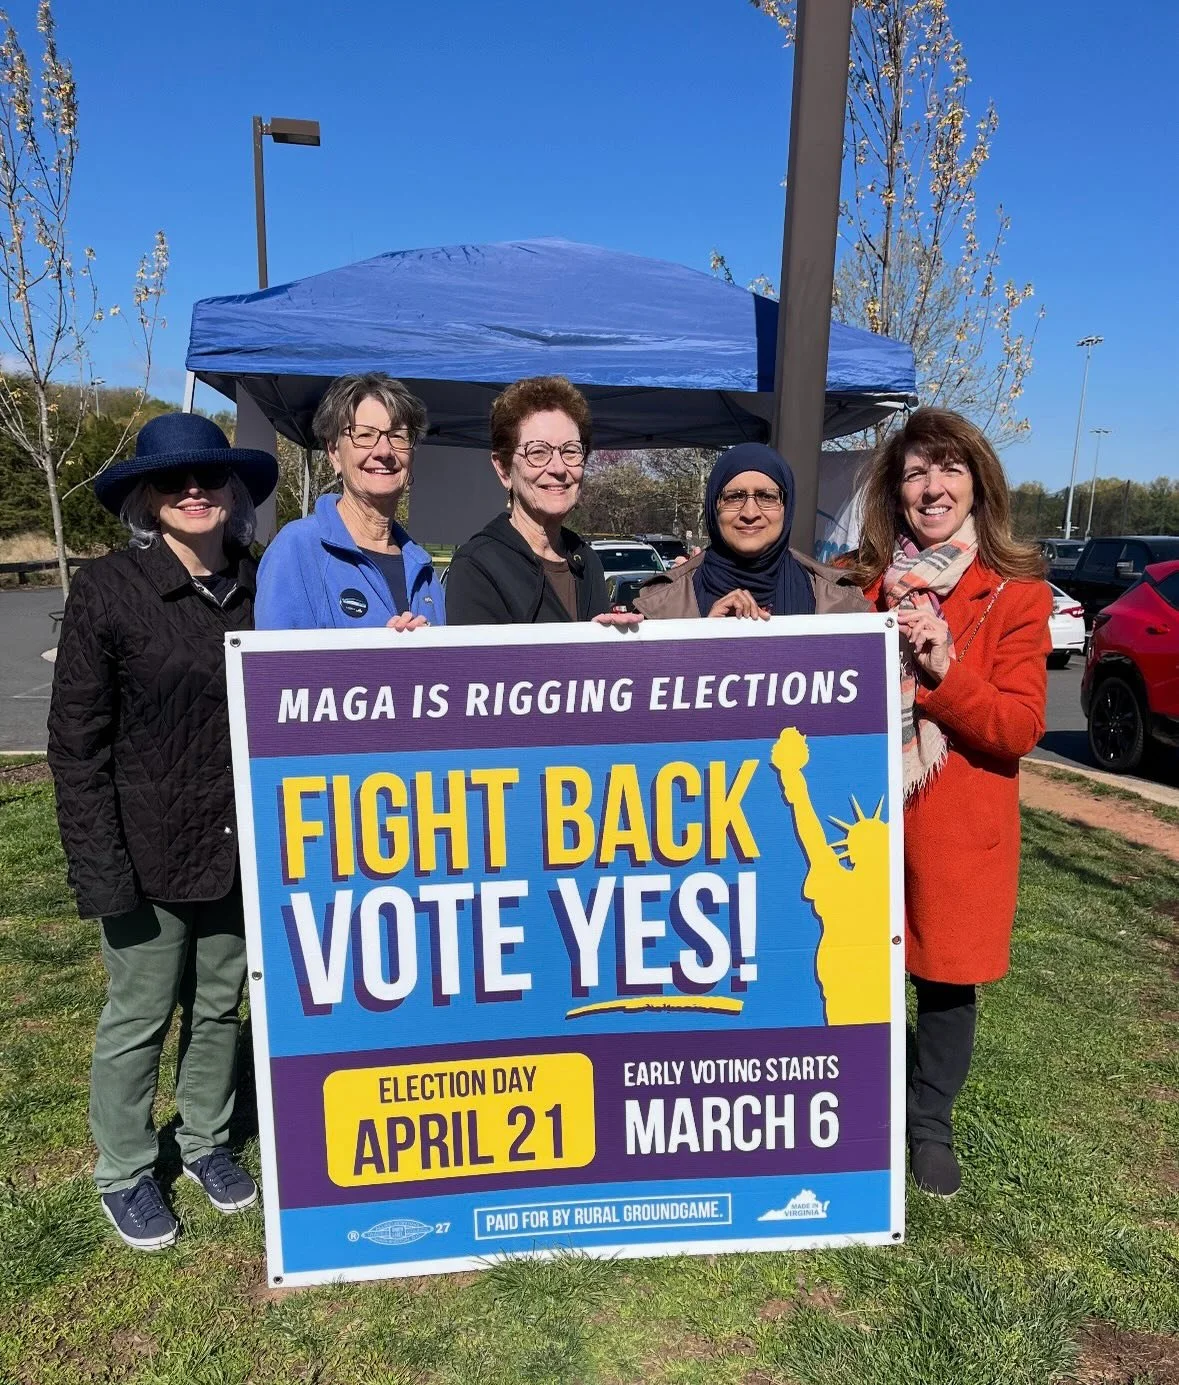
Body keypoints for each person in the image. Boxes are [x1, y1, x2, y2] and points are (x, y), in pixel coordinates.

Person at [47, 412, 279, 1250]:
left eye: (208, 477)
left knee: (222, 1003)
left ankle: (205, 1141)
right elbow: (76, 746)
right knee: (140, 1011)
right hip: (142, 847)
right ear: (148, 496)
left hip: (238, 842)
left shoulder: (262, 583)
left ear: (232, 492)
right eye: (173, 480)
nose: (193, 491)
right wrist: (98, 867)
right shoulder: (110, 588)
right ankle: (125, 1167)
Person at [853, 406, 1051, 1197]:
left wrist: (943, 672)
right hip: (865, 818)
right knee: (858, 970)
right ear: (894, 493)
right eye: (913, 473)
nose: (930, 487)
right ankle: (866, 1098)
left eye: (947, 469)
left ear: (976, 483)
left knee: (942, 984)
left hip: (953, 827)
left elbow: (1017, 725)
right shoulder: (861, 586)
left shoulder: (1015, 594)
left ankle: (929, 1123)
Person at [255, 373, 444, 630]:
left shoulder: (424, 571)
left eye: (398, 436)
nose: (384, 451)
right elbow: (275, 668)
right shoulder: (297, 550)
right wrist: (376, 657)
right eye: (364, 435)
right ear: (334, 453)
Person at [445, 375, 636, 626]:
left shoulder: (587, 560)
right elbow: (480, 665)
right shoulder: (477, 568)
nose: (558, 468)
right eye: (538, 452)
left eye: (570, 451)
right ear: (503, 469)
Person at [633, 442, 868, 619]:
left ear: (787, 506)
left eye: (767, 496)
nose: (750, 512)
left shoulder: (840, 602)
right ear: (714, 506)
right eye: (734, 497)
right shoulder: (659, 607)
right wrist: (701, 641)